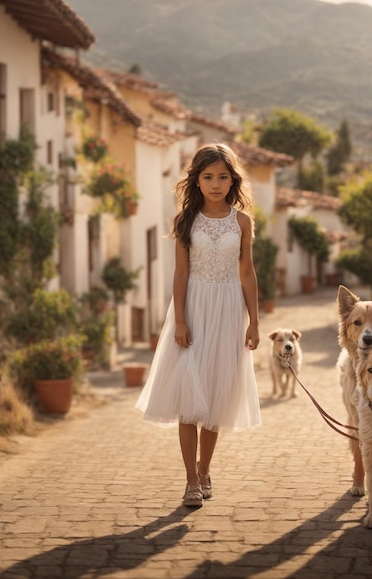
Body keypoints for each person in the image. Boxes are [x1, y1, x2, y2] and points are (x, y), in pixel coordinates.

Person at [135, 142, 262, 507]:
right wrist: (180, 320)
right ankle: (191, 480)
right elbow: (180, 273)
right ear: (197, 180)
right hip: (193, 307)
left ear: (232, 179)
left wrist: (254, 322)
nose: (216, 184)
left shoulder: (242, 222)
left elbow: (247, 272)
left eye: (223, 176)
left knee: (216, 395)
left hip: (228, 310)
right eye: (208, 177)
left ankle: (205, 468)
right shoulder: (186, 221)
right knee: (189, 396)